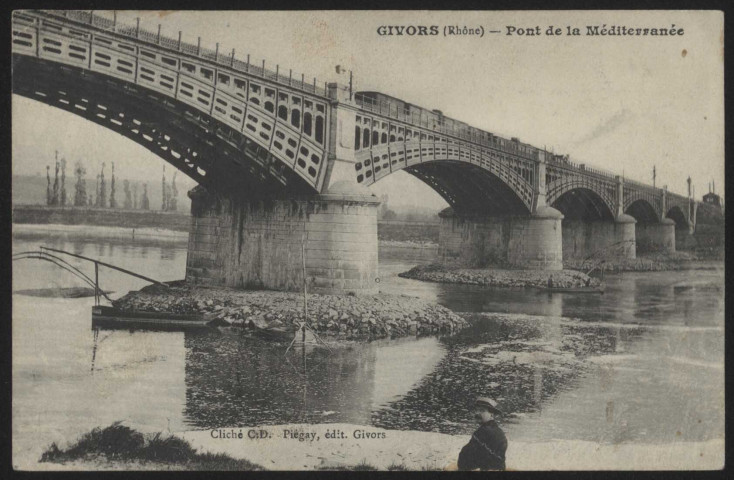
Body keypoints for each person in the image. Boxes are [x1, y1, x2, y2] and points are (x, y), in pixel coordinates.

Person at [457, 397, 508, 471]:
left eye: (482, 410)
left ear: (492, 415)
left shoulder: (482, 432)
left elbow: (468, 459)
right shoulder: (498, 431)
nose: (477, 413)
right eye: (476, 410)